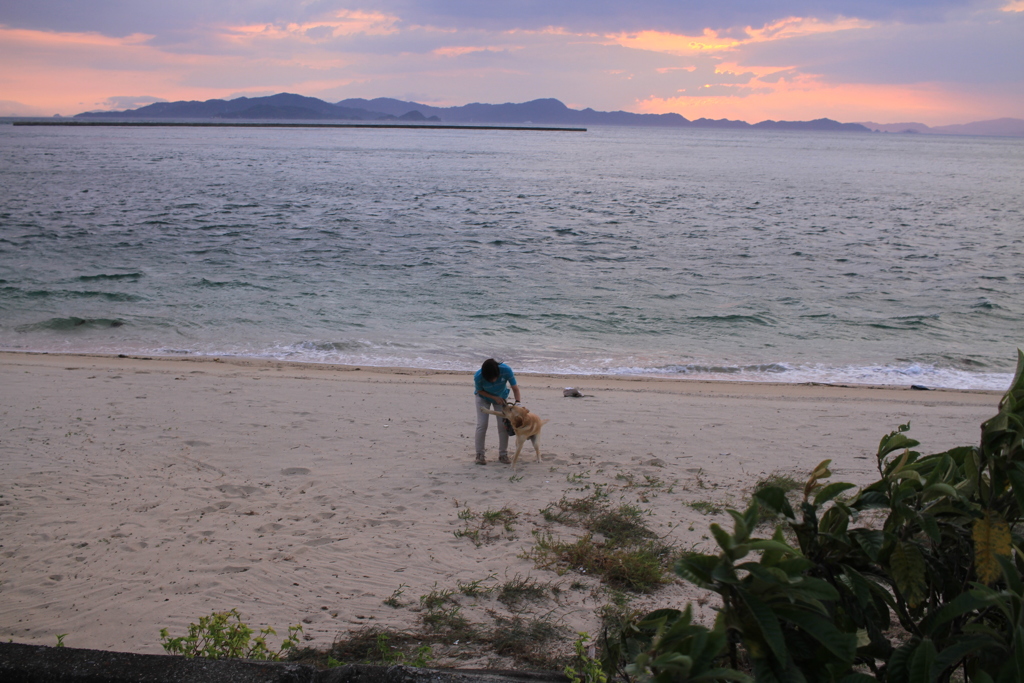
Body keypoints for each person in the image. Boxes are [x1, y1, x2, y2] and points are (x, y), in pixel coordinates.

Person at [473, 358, 522, 465]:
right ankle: (480, 454)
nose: (492, 381)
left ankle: (503, 454)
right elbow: (479, 390)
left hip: (501, 397)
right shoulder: (478, 376)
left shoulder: (506, 370)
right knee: (482, 424)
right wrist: (493, 397)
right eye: (489, 379)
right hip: (483, 398)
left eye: (494, 378)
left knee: (503, 425)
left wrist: (518, 403)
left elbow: (515, 388)